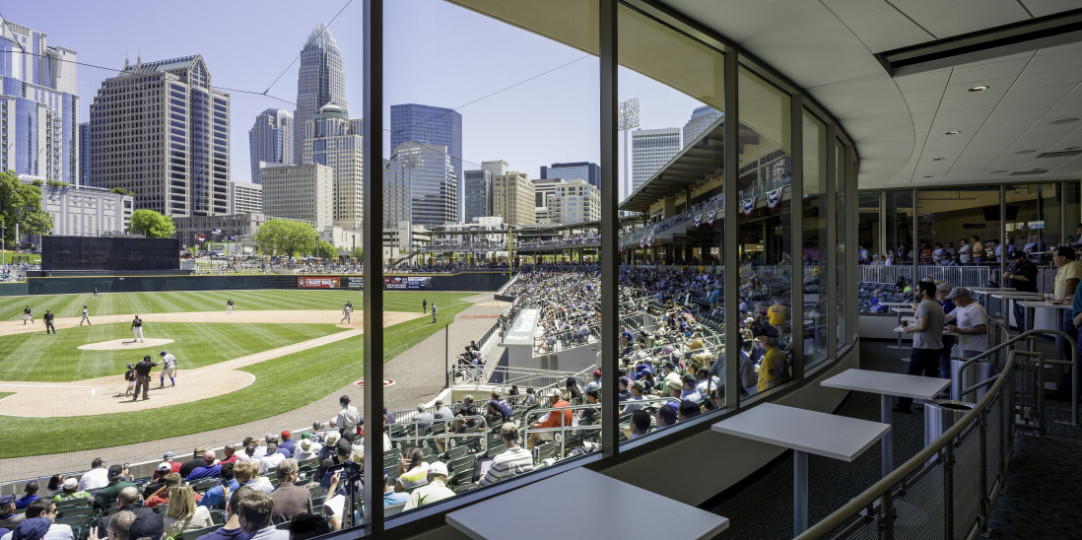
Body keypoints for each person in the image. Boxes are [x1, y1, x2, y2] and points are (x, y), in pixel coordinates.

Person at [896, 280, 945, 413]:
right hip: (935, 346)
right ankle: (932, 405)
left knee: (912, 377)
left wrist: (909, 329)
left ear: (924, 292)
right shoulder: (937, 306)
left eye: (917, 290)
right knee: (931, 377)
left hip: (923, 347)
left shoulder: (924, 306)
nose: (915, 292)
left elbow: (922, 326)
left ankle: (904, 405)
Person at [479, 422, 533, 486]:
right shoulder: (528, 454)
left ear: (503, 437)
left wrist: (482, 475)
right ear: (518, 436)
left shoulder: (499, 461)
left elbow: (484, 484)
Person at [944, 287, 989, 359]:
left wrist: (960, 330)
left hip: (975, 348)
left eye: (954, 299)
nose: (952, 301)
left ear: (964, 298)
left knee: (971, 369)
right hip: (965, 345)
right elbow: (947, 317)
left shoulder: (976, 309)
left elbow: (982, 329)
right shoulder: (960, 307)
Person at [269, 459, 312, 525]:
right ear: (290, 475)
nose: (298, 474)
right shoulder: (305, 492)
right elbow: (312, 520)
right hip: (304, 533)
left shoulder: (269, 499)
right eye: (297, 471)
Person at [755, 326, 789, 392]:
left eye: (760, 338)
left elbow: (771, 384)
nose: (758, 340)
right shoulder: (776, 352)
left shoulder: (770, 357)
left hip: (765, 396)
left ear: (766, 339)